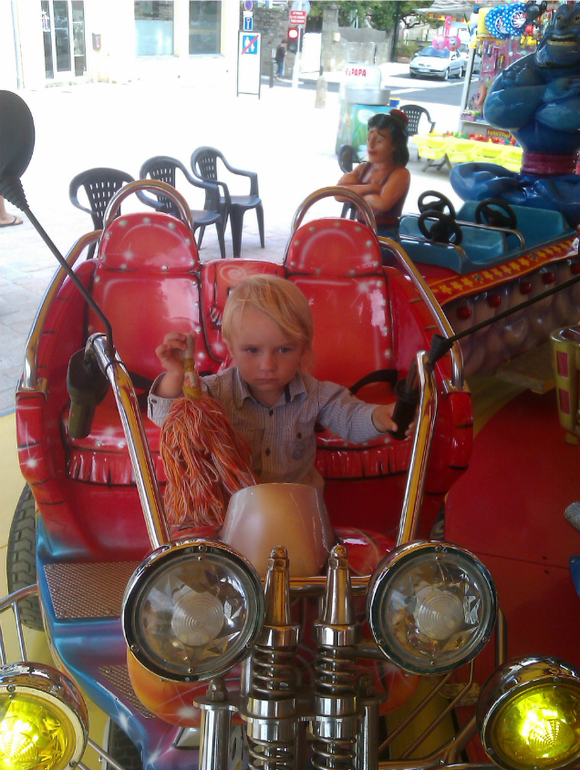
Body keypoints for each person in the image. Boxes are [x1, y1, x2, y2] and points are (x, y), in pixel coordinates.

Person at [148, 274, 405, 493]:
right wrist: (175, 374)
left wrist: (381, 416)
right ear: (232, 349)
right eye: (252, 350)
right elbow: (169, 419)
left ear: (302, 349)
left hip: (297, 503)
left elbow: (350, 417)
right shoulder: (216, 391)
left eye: (283, 350)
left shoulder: (314, 393)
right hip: (235, 506)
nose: (268, 365)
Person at [337, 110, 411, 244]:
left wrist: (353, 192)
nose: (371, 145)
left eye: (379, 141)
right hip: (359, 227)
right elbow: (338, 193)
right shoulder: (362, 169)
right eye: (369, 139)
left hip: (383, 235)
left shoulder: (400, 174)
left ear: (394, 145)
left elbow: (382, 203)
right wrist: (372, 188)